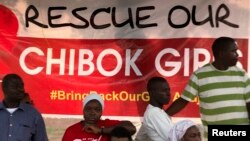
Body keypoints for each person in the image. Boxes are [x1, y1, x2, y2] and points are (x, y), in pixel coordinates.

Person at [165, 37, 250, 139]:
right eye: (233, 51)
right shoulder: (200, 75)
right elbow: (183, 101)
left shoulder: (242, 74)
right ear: (221, 53)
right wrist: (161, 117)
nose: (237, 54)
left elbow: (249, 103)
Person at [62, 93, 136, 141]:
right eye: (88, 109)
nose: (92, 113)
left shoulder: (107, 124)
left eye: (97, 109)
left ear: (101, 112)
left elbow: (131, 128)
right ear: (83, 110)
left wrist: (101, 130)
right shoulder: (71, 131)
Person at [0, 73, 48, 141]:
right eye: (16, 86)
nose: (21, 89)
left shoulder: (33, 115)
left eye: (22, 86)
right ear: (4, 88)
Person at [135, 76, 173, 141]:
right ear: (152, 92)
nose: (168, 93)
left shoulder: (158, 112)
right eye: (164, 90)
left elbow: (139, 137)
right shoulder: (154, 113)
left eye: (168, 90)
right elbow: (172, 137)